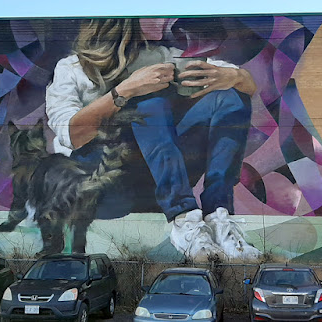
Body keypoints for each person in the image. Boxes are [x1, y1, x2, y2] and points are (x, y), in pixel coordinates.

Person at [45, 18, 260, 260]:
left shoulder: (162, 56)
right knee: (148, 103)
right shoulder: (72, 68)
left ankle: (217, 216)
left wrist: (234, 77)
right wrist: (126, 90)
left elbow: (247, 84)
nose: (166, 19)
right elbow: (72, 135)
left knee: (230, 97)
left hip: (159, 174)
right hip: (101, 183)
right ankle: (183, 216)